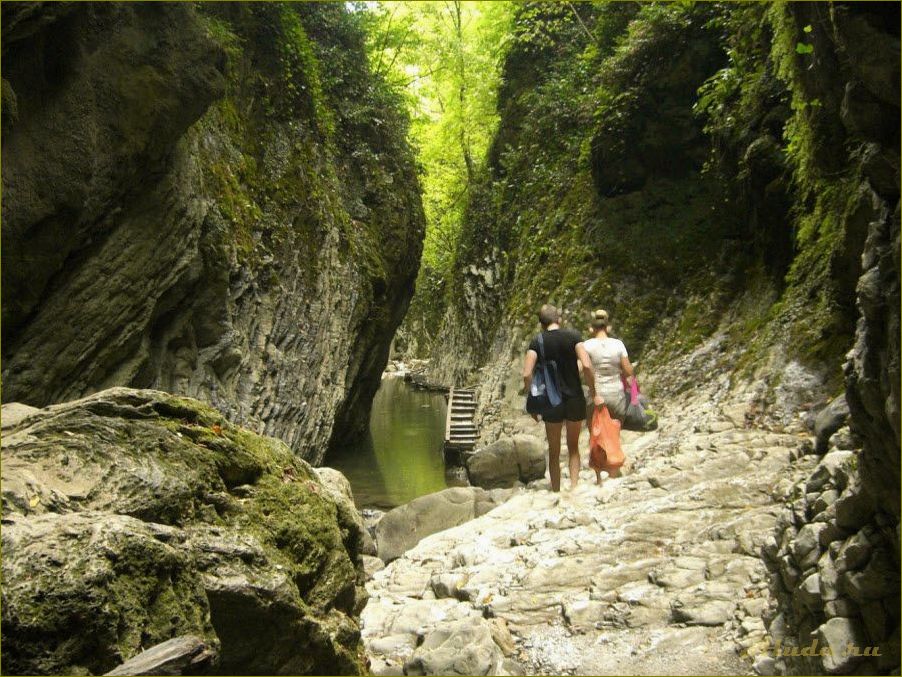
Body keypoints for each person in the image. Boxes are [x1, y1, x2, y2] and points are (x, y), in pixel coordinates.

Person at [522, 304, 601, 492]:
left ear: (541, 323)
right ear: (559, 319)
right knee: (573, 447)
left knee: (554, 450)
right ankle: (574, 487)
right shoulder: (573, 336)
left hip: (551, 401)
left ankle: (556, 490)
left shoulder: (537, 341)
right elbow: (587, 365)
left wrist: (532, 402)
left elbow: (527, 374)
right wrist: (594, 392)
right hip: (574, 396)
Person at [583, 309, 634, 482]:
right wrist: (634, 395)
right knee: (614, 433)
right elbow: (628, 372)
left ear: (592, 328)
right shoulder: (618, 344)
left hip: (596, 396)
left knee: (596, 437)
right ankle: (614, 471)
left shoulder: (586, 345)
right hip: (616, 394)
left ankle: (599, 477)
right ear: (608, 326)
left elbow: (581, 369)